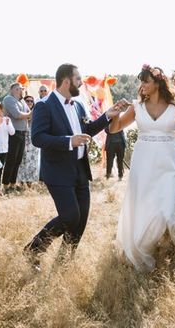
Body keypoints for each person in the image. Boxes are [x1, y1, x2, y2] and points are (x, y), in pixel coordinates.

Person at [24, 63, 127, 270]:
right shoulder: (44, 105)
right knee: (70, 216)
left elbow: (87, 129)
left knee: (80, 221)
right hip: (57, 171)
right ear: (66, 81)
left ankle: (63, 263)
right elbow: (38, 138)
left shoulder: (78, 105)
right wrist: (69, 141)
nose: (81, 82)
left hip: (80, 169)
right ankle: (34, 249)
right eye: (78, 79)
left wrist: (108, 115)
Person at [110, 64, 175, 272]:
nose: (142, 85)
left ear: (158, 83)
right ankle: (142, 246)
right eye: (141, 81)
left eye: (146, 81)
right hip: (142, 163)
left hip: (167, 164)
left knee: (165, 211)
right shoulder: (136, 106)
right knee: (142, 204)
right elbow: (114, 128)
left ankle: (160, 242)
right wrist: (116, 113)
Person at [2, 82, 32, 191]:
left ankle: (12, 183)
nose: (22, 90)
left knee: (18, 160)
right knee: (11, 159)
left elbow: (28, 113)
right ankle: (5, 184)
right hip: (13, 133)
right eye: (20, 88)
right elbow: (17, 115)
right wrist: (30, 114)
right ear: (15, 89)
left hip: (22, 132)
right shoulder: (8, 99)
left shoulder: (22, 100)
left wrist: (29, 114)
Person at [0, 101, 14, 192]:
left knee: (0, 168)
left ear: (1, 109)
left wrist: (8, 123)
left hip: (4, 148)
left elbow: (12, 133)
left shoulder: (6, 119)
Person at [17, 95, 40, 186]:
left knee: (32, 161)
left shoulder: (36, 113)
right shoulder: (21, 112)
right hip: (23, 137)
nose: (29, 102)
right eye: (27, 101)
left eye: (31, 101)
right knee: (23, 160)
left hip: (33, 139)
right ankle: (21, 182)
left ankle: (30, 183)